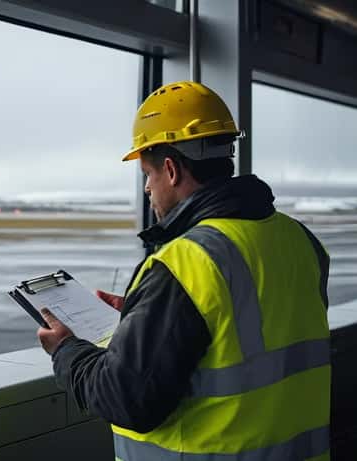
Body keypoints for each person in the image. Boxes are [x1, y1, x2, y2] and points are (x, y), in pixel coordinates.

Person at [38, 81, 331, 460]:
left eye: (148, 173)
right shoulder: (299, 240)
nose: (147, 188)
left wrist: (65, 350)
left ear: (172, 170)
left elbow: (125, 399)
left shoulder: (185, 264)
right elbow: (251, 325)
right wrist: (148, 315)